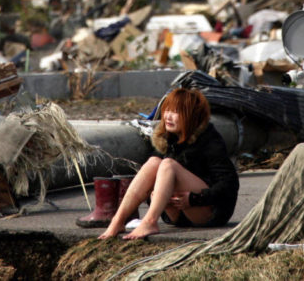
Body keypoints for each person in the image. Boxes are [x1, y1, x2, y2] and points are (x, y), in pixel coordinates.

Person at [98, 87, 239, 240]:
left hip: (208, 212)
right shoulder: (167, 139)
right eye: (167, 110)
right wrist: (155, 196)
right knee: (154, 162)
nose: (168, 117)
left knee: (168, 165)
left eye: (176, 112)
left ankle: (150, 221)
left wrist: (194, 198)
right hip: (177, 216)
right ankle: (118, 220)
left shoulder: (210, 140)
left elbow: (229, 185)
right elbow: (150, 184)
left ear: (192, 115)